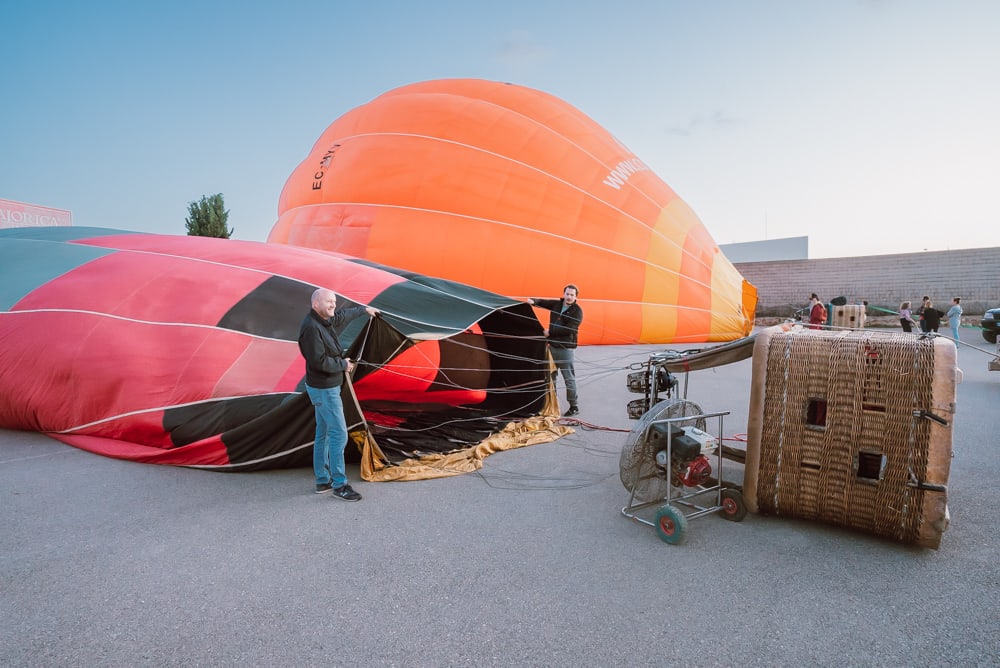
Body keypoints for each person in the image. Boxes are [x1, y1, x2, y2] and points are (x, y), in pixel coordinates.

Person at [298, 288, 378, 501]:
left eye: (334, 301)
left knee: (323, 433)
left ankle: (322, 480)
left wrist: (364, 310)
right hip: (324, 389)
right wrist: (343, 364)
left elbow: (342, 315)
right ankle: (340, 485)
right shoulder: (311, 328)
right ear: (316, 304)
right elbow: (319, 361)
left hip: (325, 387)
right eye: (328, 302)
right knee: (338, 434)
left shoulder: (324, 320)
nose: (333, 305)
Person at [527, 284, 583, 417]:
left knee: (569, 379)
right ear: (564, 294)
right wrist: (533, 301)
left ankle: (574, 406)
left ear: (576, 297)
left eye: (572, 295)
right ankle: (552, 404)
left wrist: (550, 332)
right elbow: (544, 302)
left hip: (565, 350)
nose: (569, 297)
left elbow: (569, 329)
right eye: (567, 294)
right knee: (550, 378)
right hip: (552, 348)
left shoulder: (577, 311)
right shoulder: (557, 304)